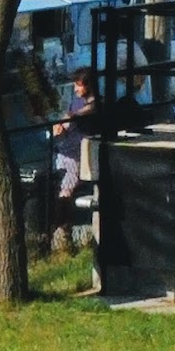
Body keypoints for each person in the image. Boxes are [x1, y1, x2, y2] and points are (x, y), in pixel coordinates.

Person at [50, 67, 100, 251]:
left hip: (78, 152)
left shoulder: (94, 104)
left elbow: (89, 110)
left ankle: (61, 228)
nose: (76, 89)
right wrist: (60, 125)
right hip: (64, 148)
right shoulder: (75, 102)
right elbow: (67, 116)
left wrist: (72, 117)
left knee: (66, 189)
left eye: (78, 85)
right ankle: (60, 226)